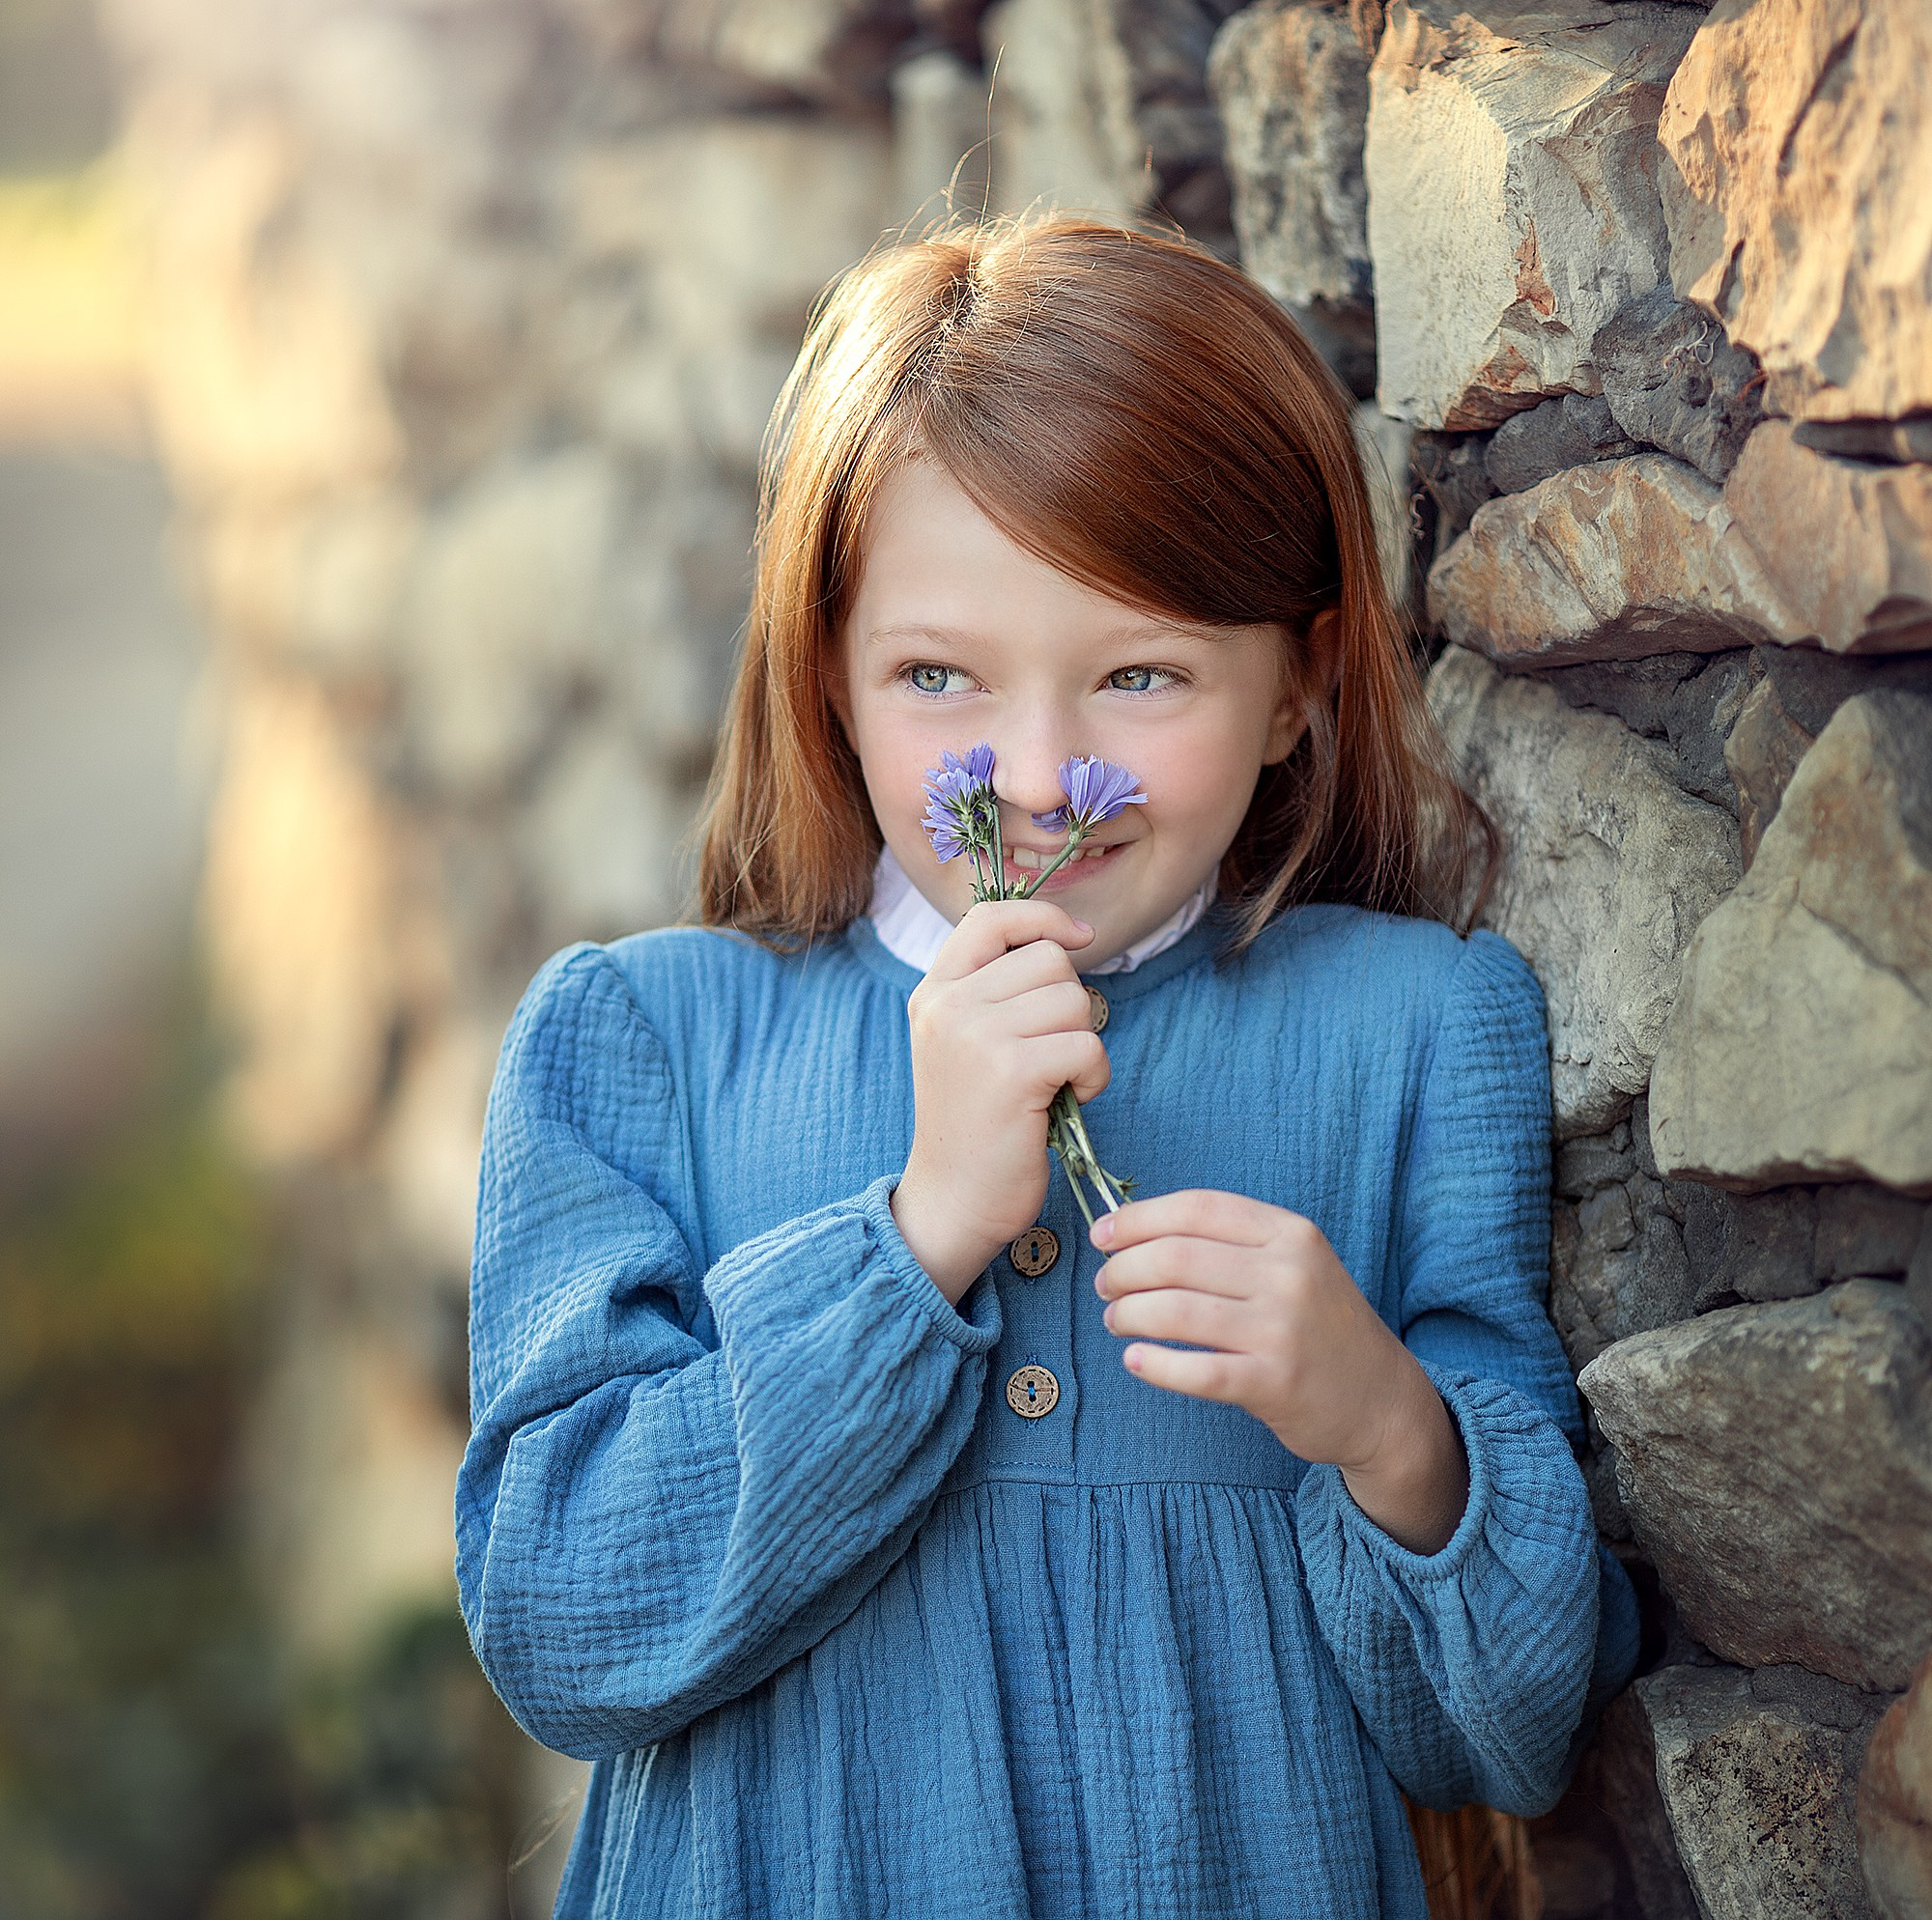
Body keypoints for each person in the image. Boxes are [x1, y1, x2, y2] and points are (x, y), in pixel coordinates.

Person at [456, 216, 1639, 1919]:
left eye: (1141, 674)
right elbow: (567, 1628)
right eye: (940, 675)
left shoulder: (1414, 1033)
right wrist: (911, 1240)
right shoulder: (640, 1044)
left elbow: (1507, 1738)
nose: (1038, 774)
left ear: (1298, 682)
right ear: (830, 678)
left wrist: (1386, 1427)